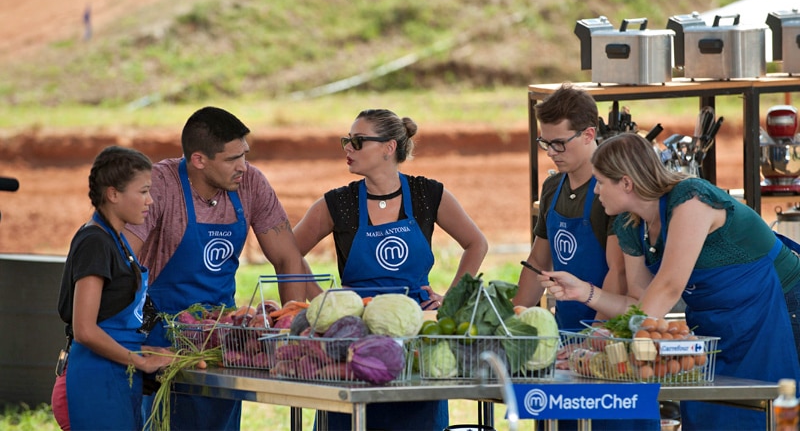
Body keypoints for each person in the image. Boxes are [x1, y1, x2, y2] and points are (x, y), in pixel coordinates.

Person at [544, 132, 800, 430]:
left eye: (600, 181)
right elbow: (641, 308)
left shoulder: (690, 198)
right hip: (718, 327)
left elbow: (667, 288)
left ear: (626, 182)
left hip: (781, 310)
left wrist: (603, 347)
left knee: (769, 414)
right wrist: (585, 293)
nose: (596, 191)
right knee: (712, 416)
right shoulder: (630, 225)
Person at [125, 106, 320, 430]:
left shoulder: (251, 183)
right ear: (199, 160)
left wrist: (289, 326)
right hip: (161, 337)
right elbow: (124, 260)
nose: (243, 167)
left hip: (222, 341)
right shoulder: (161, 184)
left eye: (244, 155)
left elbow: (288, 257)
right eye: (232, 159)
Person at [293, 108, 488, 430]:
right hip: (353, 337)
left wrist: (450, 300)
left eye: (357, 141)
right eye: (347, 140)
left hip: (413, 335)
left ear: (389, 147)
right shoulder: (337, 203)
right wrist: (323, 301)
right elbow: (289, 252)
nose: (347, 148)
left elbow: (476, 244)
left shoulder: (428, 194)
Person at [51, 146, 175, 430]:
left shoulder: (116, 241)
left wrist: (146, 349)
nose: (151, 200)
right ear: (113, 194)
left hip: (117, 378)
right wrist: (141, 362)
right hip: (95, 382)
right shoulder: (95, 242)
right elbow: (85, 329)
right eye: (143, 191)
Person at [512, 83, 627, 331]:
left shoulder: (611, 192)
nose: (551, 153)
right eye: (545, 143)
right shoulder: (552, 186)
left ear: (588, 135)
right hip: (564, 331)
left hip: (606, 332)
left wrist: (596, 334)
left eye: (559, 143)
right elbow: (538, 263)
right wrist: (512, 322)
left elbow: (618, 273)